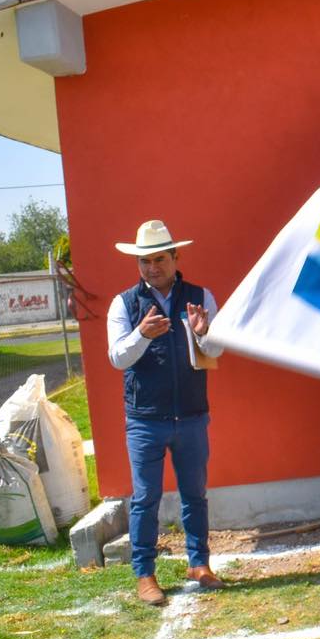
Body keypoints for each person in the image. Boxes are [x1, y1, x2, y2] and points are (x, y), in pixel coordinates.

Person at [106, 220, 225, 606]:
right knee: (145, 499)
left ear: (176, 257)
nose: (152, 268)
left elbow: (217, 350)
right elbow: (117, 358)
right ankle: (145, 576)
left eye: (159, 259)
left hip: (191, 414)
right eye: (144, 261)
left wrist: (205, 333)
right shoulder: (123, 304)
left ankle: (199, 563)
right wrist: (142, 333)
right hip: (145, 419)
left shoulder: (199, 296)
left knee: (195, 494)